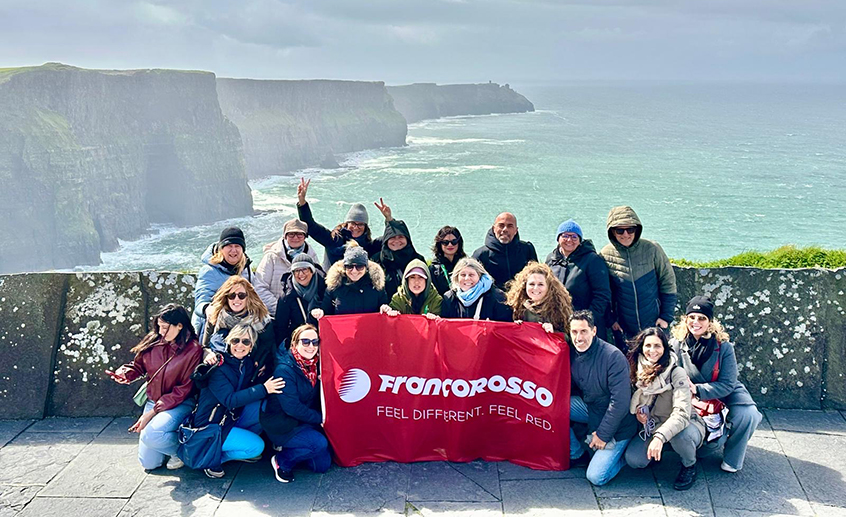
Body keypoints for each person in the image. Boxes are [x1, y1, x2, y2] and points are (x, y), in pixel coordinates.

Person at [671, 296, 762, 473]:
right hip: (690, 395)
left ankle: (732, 457)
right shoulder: (676, 344)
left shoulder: (724, 347)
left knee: (748, 414)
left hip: (722, 390)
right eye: (692, 317)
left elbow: (728, 383)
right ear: (686, 319)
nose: (696, 322)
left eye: (702, 318)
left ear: (710, 322)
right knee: (704, 447)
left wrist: (697, 389)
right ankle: (707, 439)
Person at [107, 304, 203, 471]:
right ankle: (167, 439)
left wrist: (151, 414)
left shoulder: (193, 350)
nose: (160, 331)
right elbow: (138, 366)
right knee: (149, 464)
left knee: (152, 435)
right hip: (153, 401)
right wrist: (125, 373)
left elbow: (184, 389)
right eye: (159, 326)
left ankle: (183, 452)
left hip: (179, 402)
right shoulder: (154, 340)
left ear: (179, 326)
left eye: (165, 328)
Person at [192, 325, 286, 478]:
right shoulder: (218, 367)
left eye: (246, 342)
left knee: (262, 407)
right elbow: (230, 400)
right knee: (257, 447)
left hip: (229, 417)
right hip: (211, 425)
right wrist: (264, 388)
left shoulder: (247, 363)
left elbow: (246, 388)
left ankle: (236, 444)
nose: (240, 345)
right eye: (235, 340)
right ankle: (211, 458)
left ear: (251, 346)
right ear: (229, 342)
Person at [624, 328, 705, 491]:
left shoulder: (676, 372)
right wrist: (641, 417)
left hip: (685, 425)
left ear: (665, 349)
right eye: (648, 346)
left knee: (681, 436)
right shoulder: (636, 370)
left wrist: (660, 437)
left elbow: (681, 414)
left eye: (657, 346)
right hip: (653, 425)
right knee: (634, 460)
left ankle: (689, 465)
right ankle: (660, 452)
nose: (652, 351)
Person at [568, 310, 637, 486]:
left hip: (619, 422)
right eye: (574, 332)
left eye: (583, 331)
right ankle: (575, 452)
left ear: (594, 331)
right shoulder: (572, 353)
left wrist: (603, 435)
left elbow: (620, 403)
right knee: (554, 406)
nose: (579, 337)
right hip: (591, 409)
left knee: (596, 477)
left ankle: (624, 457)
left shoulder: (612, 356)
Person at [261, 324, 331, 482]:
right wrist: (321, 419)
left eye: (315, 342)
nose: (311, 346)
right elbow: (292, 408)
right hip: (283, 424)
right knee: (318, 444)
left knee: (322, 465)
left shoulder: (315, 365)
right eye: (305, 342)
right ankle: (282, 461)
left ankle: (300, 448)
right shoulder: (285, 370)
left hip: (302, 421)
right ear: (295, 344)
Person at [600, 206, 677, 349]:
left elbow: (668, 282)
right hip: (624, 328)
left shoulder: (652, 249)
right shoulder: (605, 254)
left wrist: (666, 317)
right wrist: (611, 321)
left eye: (630, 229)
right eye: (619, 230)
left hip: (655, 323)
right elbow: (603, 292)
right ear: (612, 231)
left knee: (657, 364)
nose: (625, 234)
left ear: (637, 229)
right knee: (628, 367)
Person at [295, 178, 388, 270]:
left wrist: (389, 218)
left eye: (360, 224)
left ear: (365, 227)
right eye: (353, 223)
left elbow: (392, 238)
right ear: (346, 224)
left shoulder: (369, 246)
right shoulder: (333, 239)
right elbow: (310, 226)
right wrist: (302, 202)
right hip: (331, 283)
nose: (356, 227)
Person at [545, 219, 611, 338]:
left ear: (580, 240)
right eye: (565, 236)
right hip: (559, 324)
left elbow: (602, 294)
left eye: (574, 236)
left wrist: (587, 321)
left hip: (585, 326)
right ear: (558, 238)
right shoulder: (551, 259)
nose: (569, 240)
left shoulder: (592, 260)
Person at [201, 276, 275, 380]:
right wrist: (207, 354)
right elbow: (206, 343)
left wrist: (259, 360)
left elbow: (268, 342)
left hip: (249, 357)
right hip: (223, 357)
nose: (236, 299)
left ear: (248, 297)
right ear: (226, 297)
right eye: (232, 296)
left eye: (241, 295)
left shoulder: (259, 317)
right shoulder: (216, 314)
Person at [192, 227, 253, 337]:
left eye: (237, 246)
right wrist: (208, 309)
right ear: (221, 249)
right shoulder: (209, 271)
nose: (233, 250)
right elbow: (200, 302)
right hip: (213, 327)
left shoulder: (246, 270)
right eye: (229, 246)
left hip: (241, 325)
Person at [253, 219, 320, 316]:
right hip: (275, 314)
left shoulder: (311, 256)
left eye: (300, 234)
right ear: (285, 236)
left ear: (305, 237)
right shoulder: (271, 257)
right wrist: (281, 310)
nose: (295, 238)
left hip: (304, 315)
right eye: (291, 234)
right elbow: (259, 287)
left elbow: (317, 286)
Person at [311, 243, 387, 319]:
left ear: (366, 268)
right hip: (344, 330)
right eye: (349, 266)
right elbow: (326, 311)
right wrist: (320, 313)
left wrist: (385, 308)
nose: (354, 271)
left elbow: (383, 307)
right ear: (344, 268)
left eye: (359, 267)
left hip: (369, 329)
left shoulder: (376, 286)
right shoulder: (334, 287)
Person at [472, 212, 538, 289]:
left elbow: (536, 277)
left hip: (522, 298)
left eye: (510, 226)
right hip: (493, 299)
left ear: (516, 230)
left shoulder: (527, 249)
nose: (505, 229)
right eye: (501, 225)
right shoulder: (481, 254)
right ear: (494, 229)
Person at [274, 254, 326, 348]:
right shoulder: (287, 296)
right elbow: (281, 327)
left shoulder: (325, 288)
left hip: (325, 340)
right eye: (296, 271)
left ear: (312, 271)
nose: (300, 274)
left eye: (304, 269)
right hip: (302, 344)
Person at [505, 262, 572, 334]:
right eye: (532, 284)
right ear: (524, 286)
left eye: (540, 284)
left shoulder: (560, 308)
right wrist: (514, 327)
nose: (535, 288)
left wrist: (554, 332)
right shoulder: (517, 306)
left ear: (549, 287)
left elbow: (571, 337)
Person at [440, 257, 512, 322]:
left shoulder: (497, 297)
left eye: (471, 275)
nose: (467, 278)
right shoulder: (449, 298)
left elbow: (506, 325)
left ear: (480, 276)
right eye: (463, 275)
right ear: (457, 277)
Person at [374, 219, 425, 299]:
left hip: (411, 307)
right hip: (384, 308)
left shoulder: (417, 260)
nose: (396, 241)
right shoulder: (376, 261)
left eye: (400, 237)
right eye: (392, 237)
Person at [429, 226, 467, 296]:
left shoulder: (466, 265)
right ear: (440, 244)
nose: (450, 245)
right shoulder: (433, 269)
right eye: (445, 242)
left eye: (454, 242)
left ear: (459, 243)